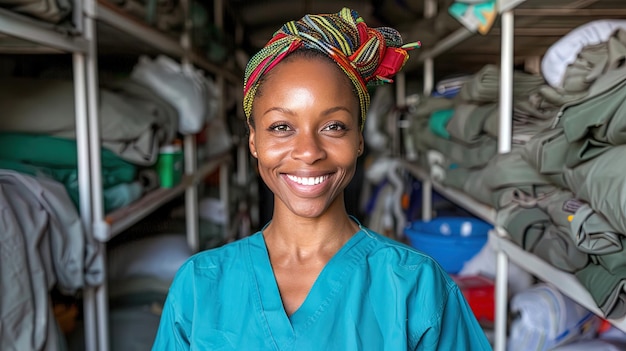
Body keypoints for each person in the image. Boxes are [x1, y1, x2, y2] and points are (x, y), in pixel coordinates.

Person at [151, 7, 491, 350]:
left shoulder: (414, 286)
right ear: (254, 141)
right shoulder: (199, 286)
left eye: (333, 127)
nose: (308, 151)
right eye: (282, 127)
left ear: (359, 139)